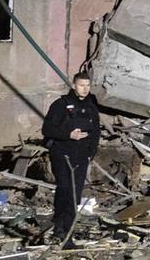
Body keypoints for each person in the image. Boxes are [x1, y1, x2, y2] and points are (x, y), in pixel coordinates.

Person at [41, 72, 99, 244]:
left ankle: (66, 230)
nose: (85, 89)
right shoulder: (60, 105)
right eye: (82, 85)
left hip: (81, 157)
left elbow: (96, 132)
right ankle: (62, 229)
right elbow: (47, 129)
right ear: (74, 86)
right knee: (65, 189)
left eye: (88, 85)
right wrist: (68, 135)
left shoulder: (91, 108)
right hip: (62, 154)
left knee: (75, 195)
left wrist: (91, 154)